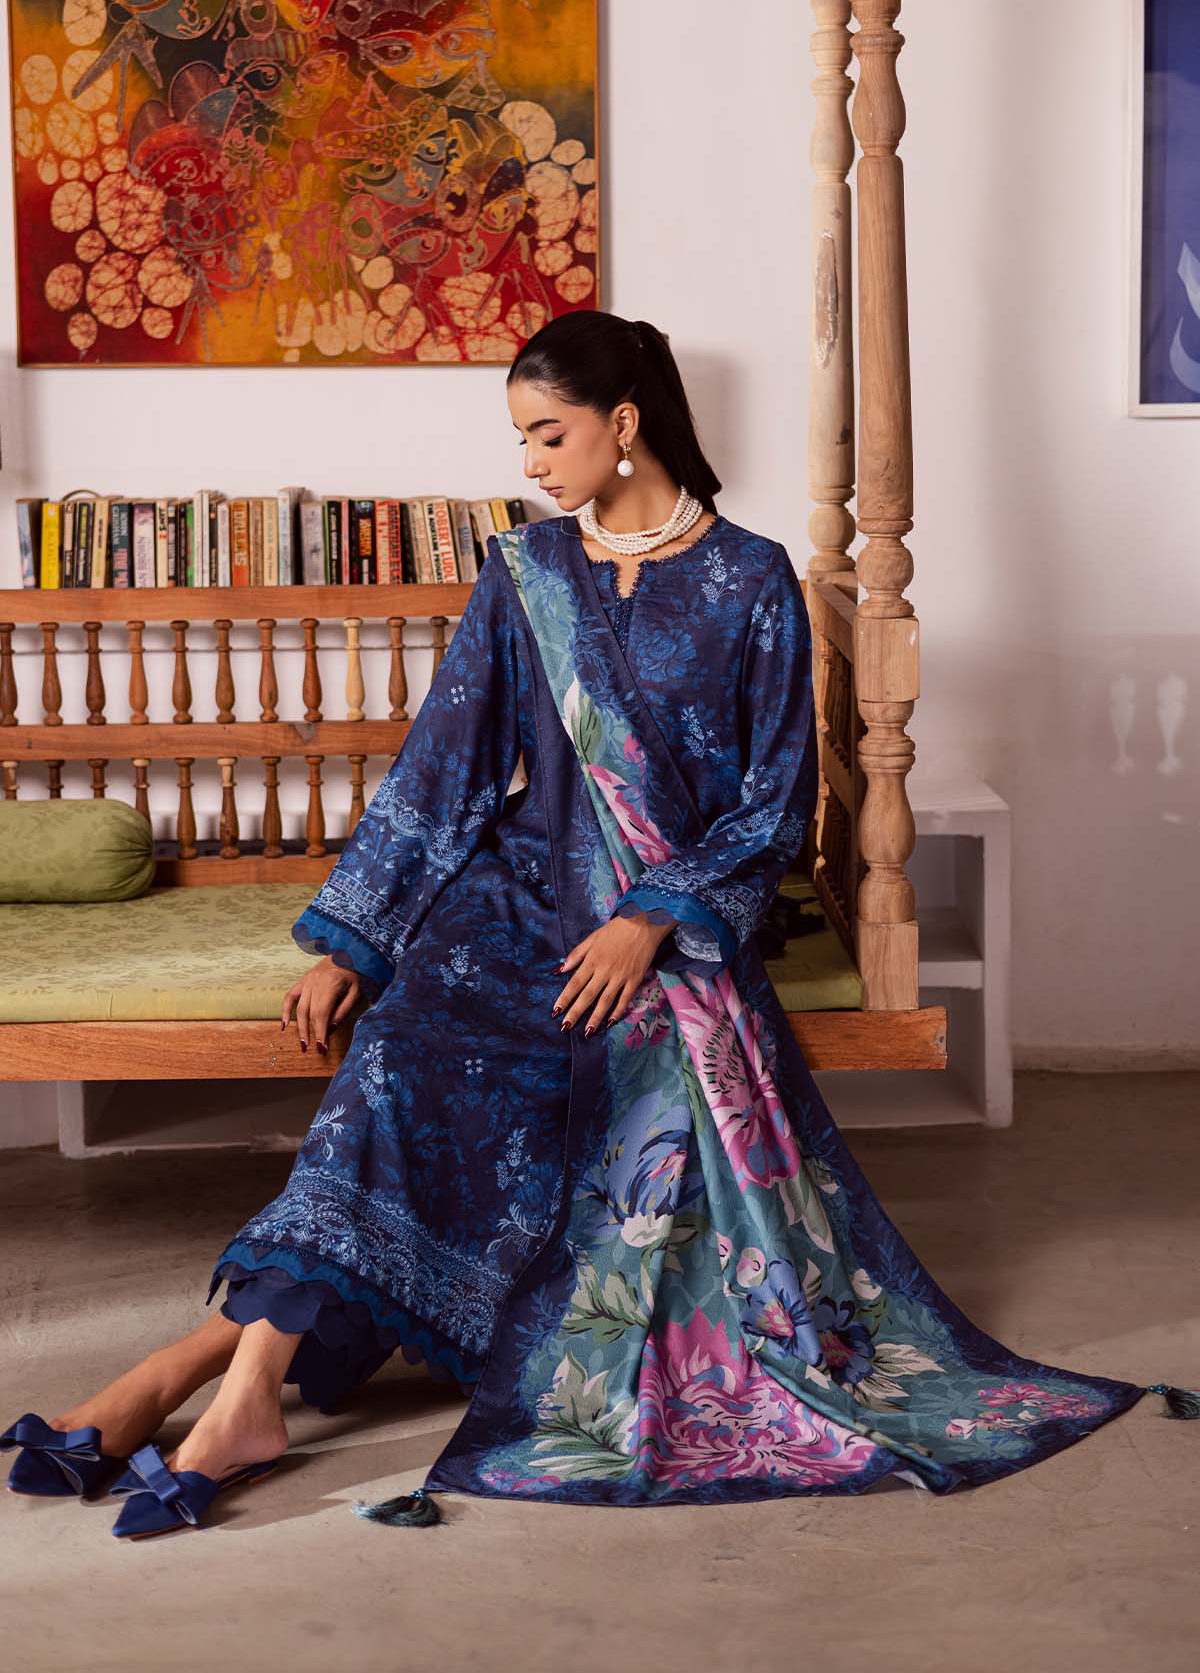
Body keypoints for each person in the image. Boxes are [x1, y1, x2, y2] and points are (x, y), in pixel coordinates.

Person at [5, 311, 1194, 1538]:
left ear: (622, 424)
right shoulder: (525, 573)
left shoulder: (752, 583)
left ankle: (189, 1381)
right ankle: (228, 1388)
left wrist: (650, 922)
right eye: (521, 438)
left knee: (595, 1082)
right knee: (394, 1064)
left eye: (547, 435)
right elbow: (448, 767)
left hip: (671, 916)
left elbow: (771, 806)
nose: (528, 464)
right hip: (515, 897)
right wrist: (357, 939)